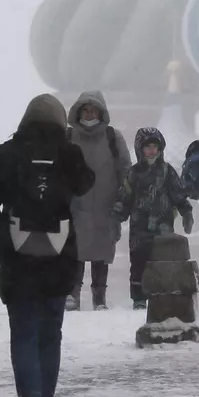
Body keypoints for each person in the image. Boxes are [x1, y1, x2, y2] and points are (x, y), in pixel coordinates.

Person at [0, 93, 96, 397]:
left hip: (18, 260)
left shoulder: (5, 154)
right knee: (50, 332)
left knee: (24, 331)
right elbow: (88, 183)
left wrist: (3, 239)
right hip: (60, 258)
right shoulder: (68, 153)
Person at [111, 127, 195, 310]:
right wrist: (116, 218)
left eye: (154, 146)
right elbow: (124, 197)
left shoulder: (167, 171)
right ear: (140, 149)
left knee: (164, 264)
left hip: (163, 227)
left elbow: (178, 194)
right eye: (147, 147)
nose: (151, 151)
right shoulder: (134, 173)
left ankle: (164, 295)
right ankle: (139, 298)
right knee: (138, 264)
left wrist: (186, 212)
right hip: (139, 229)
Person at [66, 91, 128, 310]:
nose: (89, 114)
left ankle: (99, 296)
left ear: (101, 112)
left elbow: (125, 172)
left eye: (93, 110)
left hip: (106, 205)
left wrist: (122, 200)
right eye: (85, 110)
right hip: (76, 207)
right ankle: (72, 294)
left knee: (101, 252)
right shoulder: (68, 137)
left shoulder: (113, 137)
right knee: (75, 251)